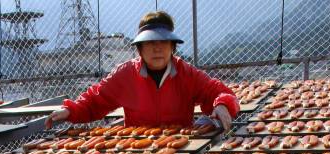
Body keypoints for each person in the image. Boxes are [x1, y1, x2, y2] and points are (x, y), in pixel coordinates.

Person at [45, 11, 239, 130]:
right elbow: (95, 100)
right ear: (139, 49)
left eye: (164, 42)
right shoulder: (125, 74)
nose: (157, 48)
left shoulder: (186, 73)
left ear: (172, 47)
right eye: (150, 43)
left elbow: (220, 92)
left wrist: (222, 104)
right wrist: (70, 111)